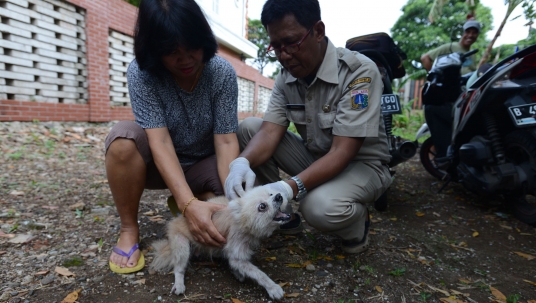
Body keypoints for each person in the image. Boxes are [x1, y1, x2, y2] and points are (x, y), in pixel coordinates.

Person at [224, 0, 392, 254]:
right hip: (317, 159)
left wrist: (286, 187)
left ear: (318, 31)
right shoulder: (286, 76)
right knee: (249, 128)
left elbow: (342, 152)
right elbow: (269, 131)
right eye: (276, 46)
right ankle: (284, 218)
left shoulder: (358, 72)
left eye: (291, 43)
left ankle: (357, 223)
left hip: (361, 165)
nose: (283, 55)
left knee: (318, 206)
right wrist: (241, 163)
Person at [105, 0, 239, 273]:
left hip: (203, 163)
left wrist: (233, 205)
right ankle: (130, 228)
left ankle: (193, 196)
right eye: (172, 52)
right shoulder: (142, 74)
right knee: (122, 141)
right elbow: (160, 141)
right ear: (155, 50)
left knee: (221, 220)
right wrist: (188, 205)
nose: (186, 59)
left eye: (192, 48)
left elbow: (225, 141)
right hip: (158, 164)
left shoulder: (221, 73)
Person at [420, 20, 481, 161]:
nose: (470, 35)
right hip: (446, 94)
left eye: (474, 32)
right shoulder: (451, 47)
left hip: (461, 95)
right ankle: (438, 160)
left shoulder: (471, 54)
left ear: (477, 35)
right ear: (463, 33)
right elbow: (425, 58)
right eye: (468, 32)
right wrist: (437, 76)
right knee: (440, 125)